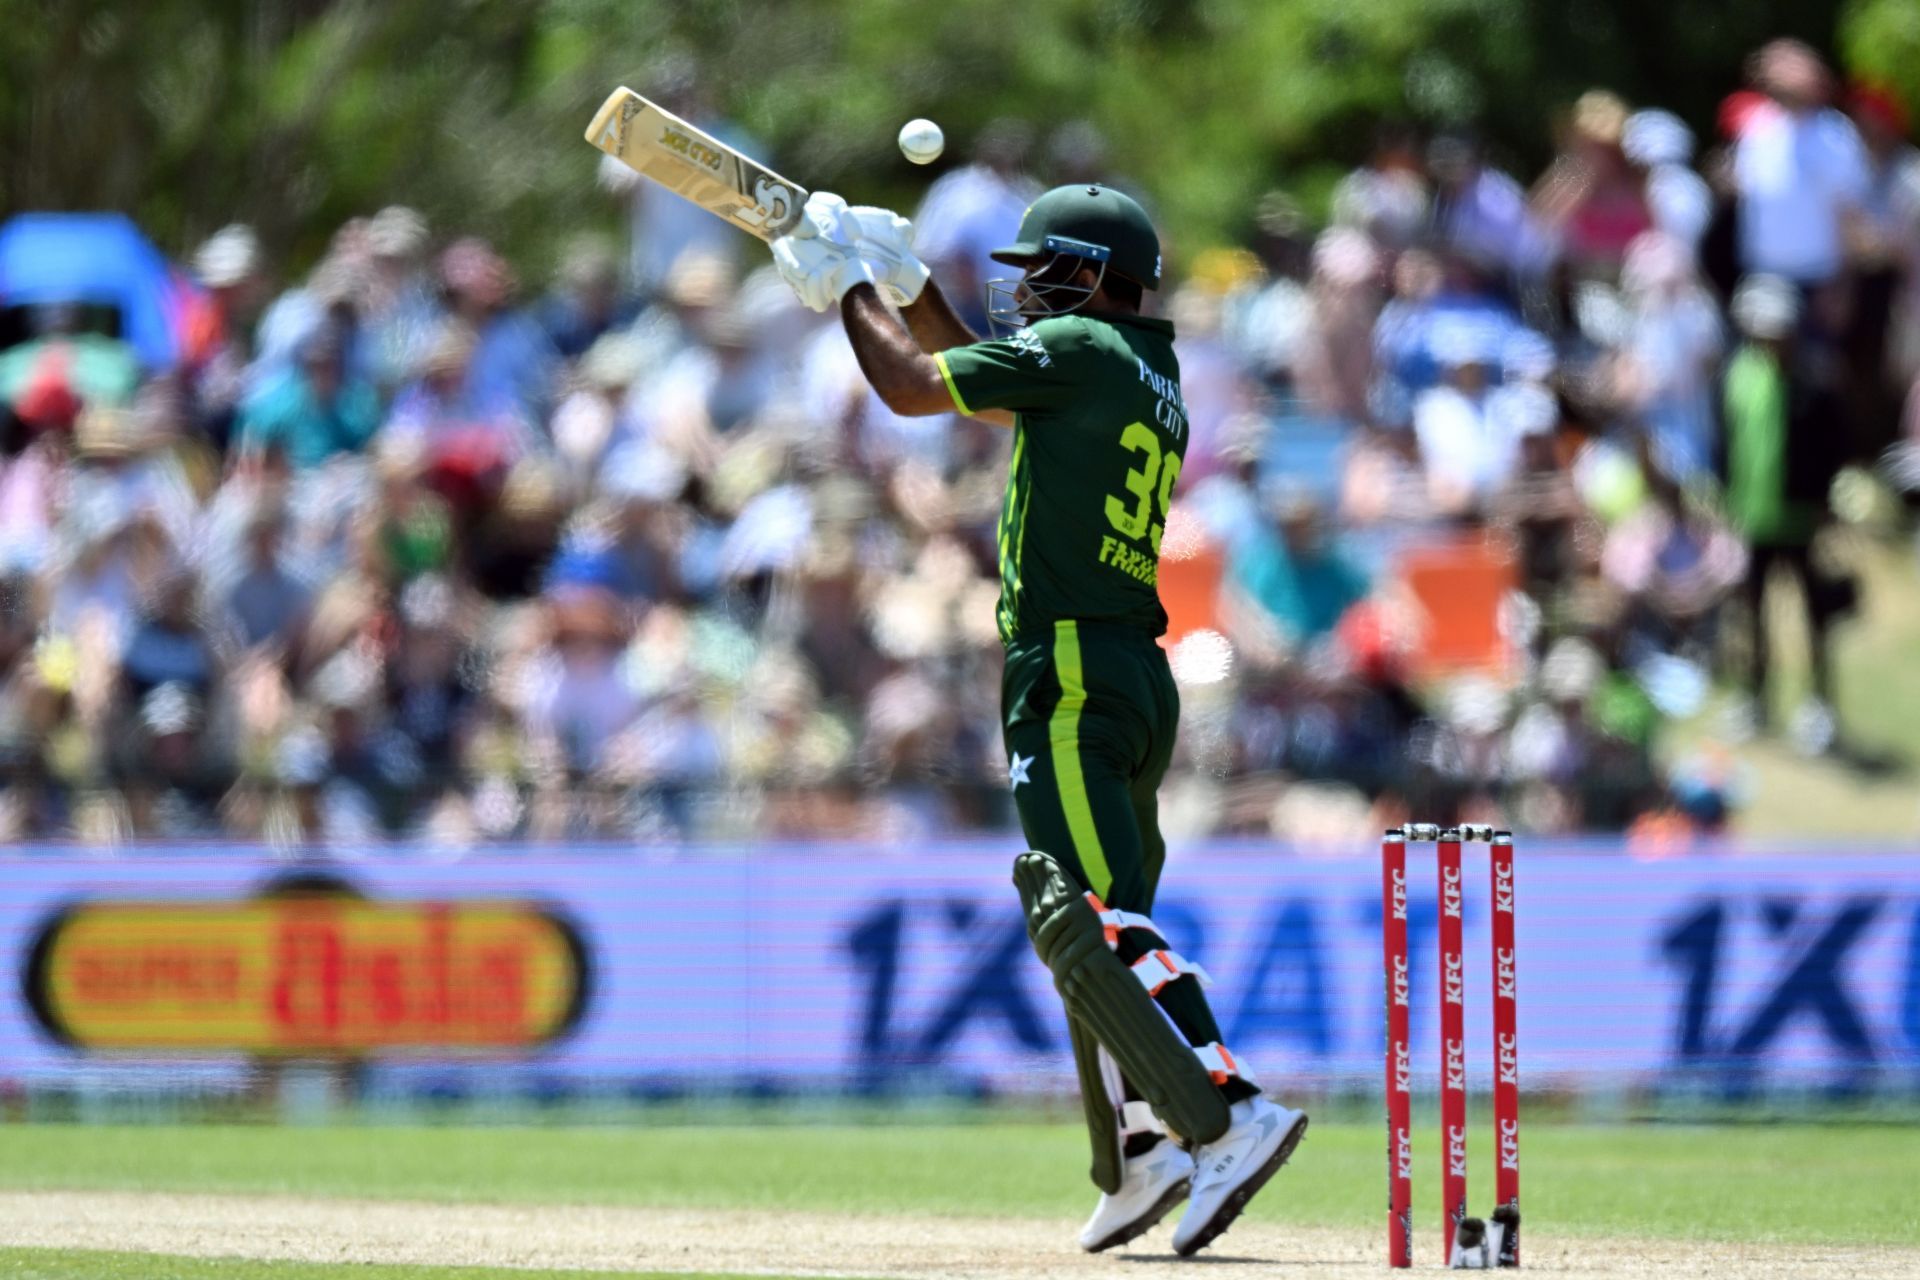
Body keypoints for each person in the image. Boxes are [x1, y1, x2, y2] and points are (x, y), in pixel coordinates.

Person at [767, 184, 1307, 1256]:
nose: (1032, 292)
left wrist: (851, 294)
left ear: (1100, 275)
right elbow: (978, 372)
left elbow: (916, 388)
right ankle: (1139, 1148)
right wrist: (912, 286)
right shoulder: (1141, 368)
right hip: (1126, 672)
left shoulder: (1081, 346)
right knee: (1085, 925)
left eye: (1050, 270)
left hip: (1066, 667)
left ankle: (1230, 1108)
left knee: (1094, 918)